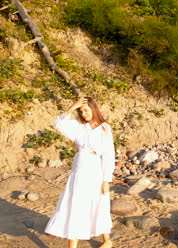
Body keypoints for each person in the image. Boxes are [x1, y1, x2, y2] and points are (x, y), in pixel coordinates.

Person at [45, 97, 115, 248]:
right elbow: (58, 124)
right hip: (78, 170)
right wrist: (72, 107)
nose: (84, 114)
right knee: (75, 206)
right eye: (81, 111)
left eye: (86, 110)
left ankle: (107, 240)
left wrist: (106, 180)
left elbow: (109, 155)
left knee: (98, 204)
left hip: (95, 169)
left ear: (94, 109)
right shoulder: (78, 126)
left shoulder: (104, 128)